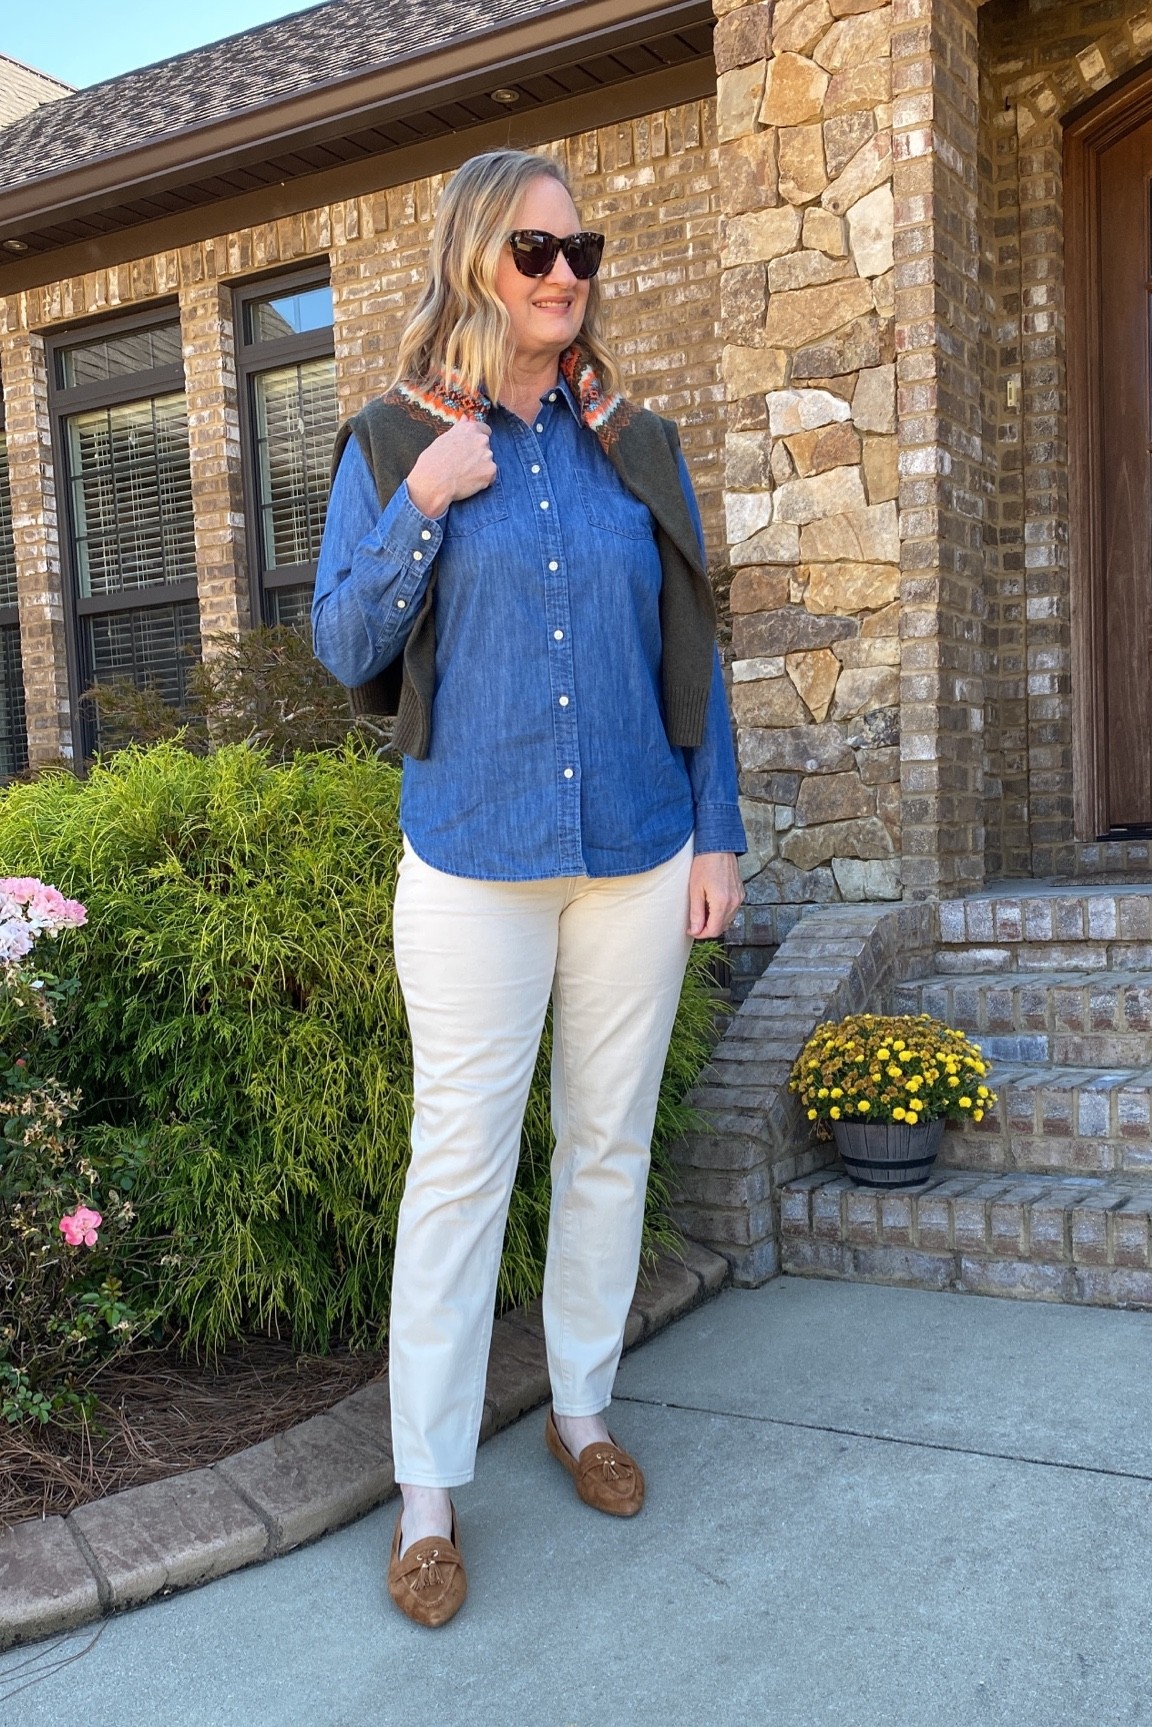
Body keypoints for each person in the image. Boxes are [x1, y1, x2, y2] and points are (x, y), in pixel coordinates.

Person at [312, 148, 745, 1629]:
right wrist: (427, 499)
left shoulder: (639, 445)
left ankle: (581, 1408)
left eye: (583, 251)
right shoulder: (394, 438)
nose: (567, 276)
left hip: (636, 849)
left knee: (609, 1146)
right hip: (472, 861)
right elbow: (345, 642)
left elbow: (693, 645)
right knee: (461, 1171)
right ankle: (428, 1494)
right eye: (537, 251)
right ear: (475, 261)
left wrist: (716, 833)